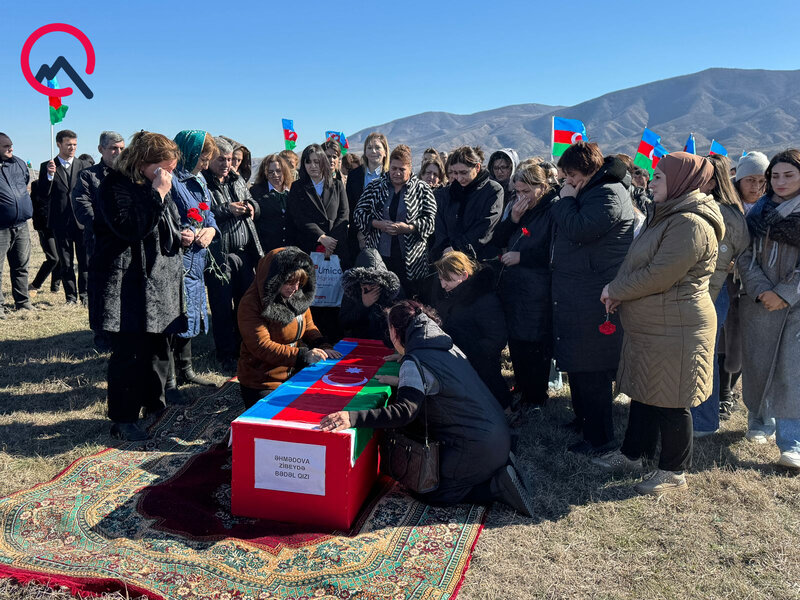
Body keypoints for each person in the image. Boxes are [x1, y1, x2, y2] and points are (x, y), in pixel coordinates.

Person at [319, 300, 534, 516]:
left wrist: (352, 417)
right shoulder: (444, 345)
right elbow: (442, 385)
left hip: (478, 447)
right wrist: (404, 369)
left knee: (431, 491)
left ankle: (495, 487)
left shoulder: (416, 361)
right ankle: (494, 468)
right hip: (497, 436)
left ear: (395, 331)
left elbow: (405, 412)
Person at [595, 152, 723, 494]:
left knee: (672, 399)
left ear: (682, 181)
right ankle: (633, 454)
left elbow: (660, 274)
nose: (651, 183)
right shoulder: (666, 215)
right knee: (646, 391)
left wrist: (615, 290)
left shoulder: (690, 224)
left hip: (678, 326)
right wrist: (620, 289)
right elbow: (638, 263)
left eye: (660, 178)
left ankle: (673, 472)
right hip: (656, 325)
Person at [92, 132, 185, 441]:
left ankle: (155, 405)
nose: (169, 174)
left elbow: (166, 221)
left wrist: (182, 234)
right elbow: (130, 228)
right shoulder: (115, 185)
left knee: (158, 347)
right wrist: (157, 193)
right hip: (125, 282)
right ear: (144, 161)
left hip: (157, 280)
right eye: (165, 167)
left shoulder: (155, 183)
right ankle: (124, 418)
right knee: (130, 351)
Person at [551, 142, 634, 454]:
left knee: (592, 367)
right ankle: (583, 420)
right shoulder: (594, 191)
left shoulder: (608, 193)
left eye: (571, 175)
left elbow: (580, 229)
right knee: (578, 362)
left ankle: (599, 437)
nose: (568, 181)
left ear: (588, 170)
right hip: (580, 289)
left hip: (594, 292)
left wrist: (565, 201)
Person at [738, 149, 800, 468]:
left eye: (789, 175)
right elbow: (744, 254)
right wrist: (762, 290)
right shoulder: (758, 212)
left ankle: (792, 443)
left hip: (795, 307)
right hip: (759, 303)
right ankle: (760, 421)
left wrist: (784, 293)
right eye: (775, 176)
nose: (781, 181)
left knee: (791, 370)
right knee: (758, 363)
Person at [236, 246, 341, 408]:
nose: (296, 288)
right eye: (289, 282)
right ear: (274, 279)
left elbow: (308, 326)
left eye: (299, 282)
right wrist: (302, 356)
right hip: (262, 380)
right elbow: (261, 346)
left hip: (295, 372)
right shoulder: (251, 304)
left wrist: (322, 345)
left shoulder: (297, 295)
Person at [691, 154, 750, 437]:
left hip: (710, 291)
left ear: (713, 180)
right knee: (701, 355)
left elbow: (736, 252)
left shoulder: (721, 212)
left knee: (702, 356)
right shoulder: (729, 210)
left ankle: (703, 420)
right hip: (711, 290)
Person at [491, 163, 557, 407]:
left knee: (534, 343)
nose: (522, 197)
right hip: (515, 285)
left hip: (538, 287)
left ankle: (536, 396)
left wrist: (523, 257)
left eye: (527, 191)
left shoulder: (552, 209)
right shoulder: (517, 208)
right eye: (518, 191)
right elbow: (498, 239)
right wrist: (513, 219)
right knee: (516, 339)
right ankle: (522, 385)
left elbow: (554, 251)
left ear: (542, 187)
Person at [203, 136, 264, 368]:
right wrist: (227, 209)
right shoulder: (203, 182)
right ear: (210, 158)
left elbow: (253, 202)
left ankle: (243, 347)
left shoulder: (236, 179)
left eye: (229, 159)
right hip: (219, 255)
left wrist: (252, 207)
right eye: (221, 159)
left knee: (245, 305)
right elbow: (202, 214)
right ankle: (226, 353)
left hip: (244, 254)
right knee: (221, 306)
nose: (226, 164)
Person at [168, 130, 220, 396]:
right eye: (203, 158)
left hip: (197, 258)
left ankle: (186, 369)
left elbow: (208, 215)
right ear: (188, 153)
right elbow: (167, 217)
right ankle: (169, 380)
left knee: (190, 311)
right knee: (176, 314)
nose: (206, 165)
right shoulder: (172, 180)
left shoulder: (200, 180)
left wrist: (211, 230)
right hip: (178, 258)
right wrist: (182, 233)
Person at [719, 151, 770, 418]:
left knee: (743, 341)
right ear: (738, 180)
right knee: (722, 339)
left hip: (756, 283)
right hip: (725, 282)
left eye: (762, 181)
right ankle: (722, 394)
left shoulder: (771, 207)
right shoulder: (726, 206)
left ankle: (729, 391)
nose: (756, 187)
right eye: (750, 180)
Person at [427, 251, 512, 409]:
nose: (443, 285)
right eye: (440, 279)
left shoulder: (484, 298)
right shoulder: (447, 294)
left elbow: (496, 338)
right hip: (455, 361)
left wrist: (471, 353)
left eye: (448, 280)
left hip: (479, 365)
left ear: (464, 275)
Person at [353, 144, 437, 297]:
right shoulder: (375, 186)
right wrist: (377, 224)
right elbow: (358, 213)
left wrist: (409, 228)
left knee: (409, 300)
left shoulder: (422, 189)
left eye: (402, 169)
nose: (397, 173)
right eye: (394, 168)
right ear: (389, 167)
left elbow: (431, 221)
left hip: (411, 261)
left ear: (410, 169)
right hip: (380, 256)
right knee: (381, 297)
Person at [71, 131, 125, 350]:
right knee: (100, 290)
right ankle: (102, 337)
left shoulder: (129, 175)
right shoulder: (88, 176)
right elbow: (81, 205)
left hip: (125, 243)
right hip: (99, 242)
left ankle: (122, 334)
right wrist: (104, 227)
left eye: (121, 148)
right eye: (113, 148)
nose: (118, 152)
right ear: (101, 149)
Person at [36, 129, 92, 305]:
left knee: (84, 261)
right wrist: (49, 176)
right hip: (60, 222)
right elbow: (42, 195)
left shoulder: (84, 165)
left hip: (81, 221)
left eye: (75, 144)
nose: (72, 148)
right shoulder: (47, 166)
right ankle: (71, 297)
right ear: (59, 144)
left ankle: (85, 295)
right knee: (66, 262)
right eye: (69, 144)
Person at [432, 146, 504, 261]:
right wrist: (445, 247)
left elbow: (484, 227)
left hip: (479, 258)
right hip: (445, 258)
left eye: (464, 173)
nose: (459, 178)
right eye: (455, 173)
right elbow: (439, 226)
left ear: (477, 167)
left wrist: (456, 249)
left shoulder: (493, 191)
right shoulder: (444, 194)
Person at [0, 132, 34, 318]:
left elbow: (25, 181)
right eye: (6, 146)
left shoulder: (19, 163)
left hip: (21, 225)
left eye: (11, 145)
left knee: (21, 265)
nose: (11, 148)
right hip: (1, 228)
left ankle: (22, 302)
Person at [340, 247, 402, 341]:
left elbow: (401, 322)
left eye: (372, 284)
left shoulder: (391, 292)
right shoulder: (352, 291)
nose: (368, 288)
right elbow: (344, 322)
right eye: (364, 283)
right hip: (359, 341)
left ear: (380, 282)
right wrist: (363, 305)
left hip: (386, 342)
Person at [346, 133, 389, 258]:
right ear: (365, 151)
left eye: (378, 147)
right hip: (357, 237)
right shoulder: (354, 175)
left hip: (385, 237)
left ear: (385, 152)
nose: (373, 151)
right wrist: (361, 232)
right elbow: (350, 207)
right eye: (369, 148)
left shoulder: (391, 176)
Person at [250, 153, 295, 253]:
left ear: (284, 171)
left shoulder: (293, 191)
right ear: (265, 174)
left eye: (278, 171)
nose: (275, 175)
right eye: (270, 172)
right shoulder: (256, 192)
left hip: (291, 249)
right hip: (268, 250)